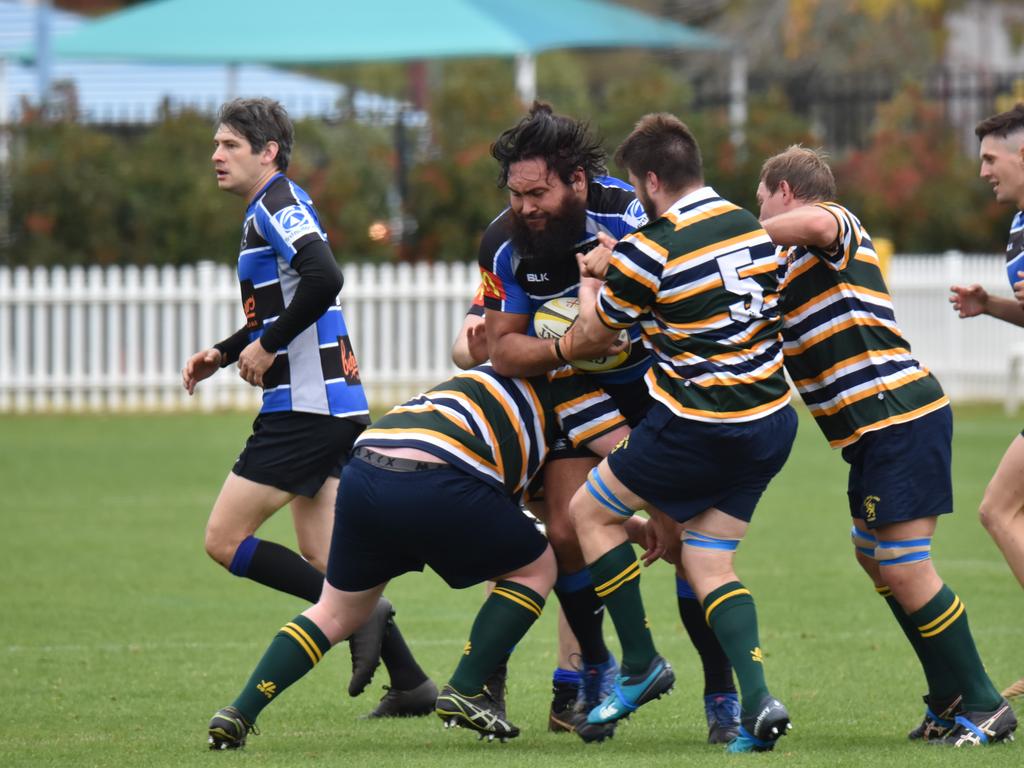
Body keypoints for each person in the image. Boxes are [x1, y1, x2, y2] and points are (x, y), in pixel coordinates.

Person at [477, 101, 742, 742]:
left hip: (662, 392)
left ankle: (720, 691)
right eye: (515, 194)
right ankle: (597, 668)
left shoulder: (634, 214)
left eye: (537, 192)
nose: (526, 207)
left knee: (687, 546)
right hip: (572, 394)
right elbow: (502, 347)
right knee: (567, 529)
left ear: (576, 181)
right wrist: (570, 349)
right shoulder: (503, 243)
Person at [205, 363, 638, 748]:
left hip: (367, 466)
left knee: (336, 611)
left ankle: (240, 711)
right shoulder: (573, 387)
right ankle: (466, 687)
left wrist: (625, 525)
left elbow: (550, 501)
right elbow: (629, 460)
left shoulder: (483, 375)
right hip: (439, 476)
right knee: (536, 567)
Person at [759, 144, 1017, 746]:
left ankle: (984, 704)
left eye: (761, 201)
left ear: (785, 192)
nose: (760, 214)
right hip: (868, 434)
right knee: (873, 555)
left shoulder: (836, 225)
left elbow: (818, 222)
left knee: (903, 562)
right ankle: (950, 695)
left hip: (898, 415)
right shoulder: (781, 271)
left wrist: (730, 239)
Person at [182, 97, 433, 716]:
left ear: (268, 152)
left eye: (230, 145)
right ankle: (410, 682)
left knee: (224, 538)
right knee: (325, 555)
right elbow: (287, 301)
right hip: (328, 403)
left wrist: (265, 345)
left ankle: (365, 611)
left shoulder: (277, 202)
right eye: (216, 144)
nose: (216, 155)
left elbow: (324, 277)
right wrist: (226, 349)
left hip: (307, 406)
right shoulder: (268, 207)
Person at [564, 112, 797, 752]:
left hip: (700, 421)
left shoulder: (650, 248)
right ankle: (757, 701)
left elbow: (594, 339)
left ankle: (639, 666)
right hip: (771, 421)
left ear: (651, 179)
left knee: (590, 514)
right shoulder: (751, 229)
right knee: (707, 558)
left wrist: (592, 281)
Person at [950, 103, 1024, 704]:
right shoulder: (1020, 224)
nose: (982, 173)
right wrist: (992, 305)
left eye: (990, 159)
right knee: (999, 511)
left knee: (999, 510)